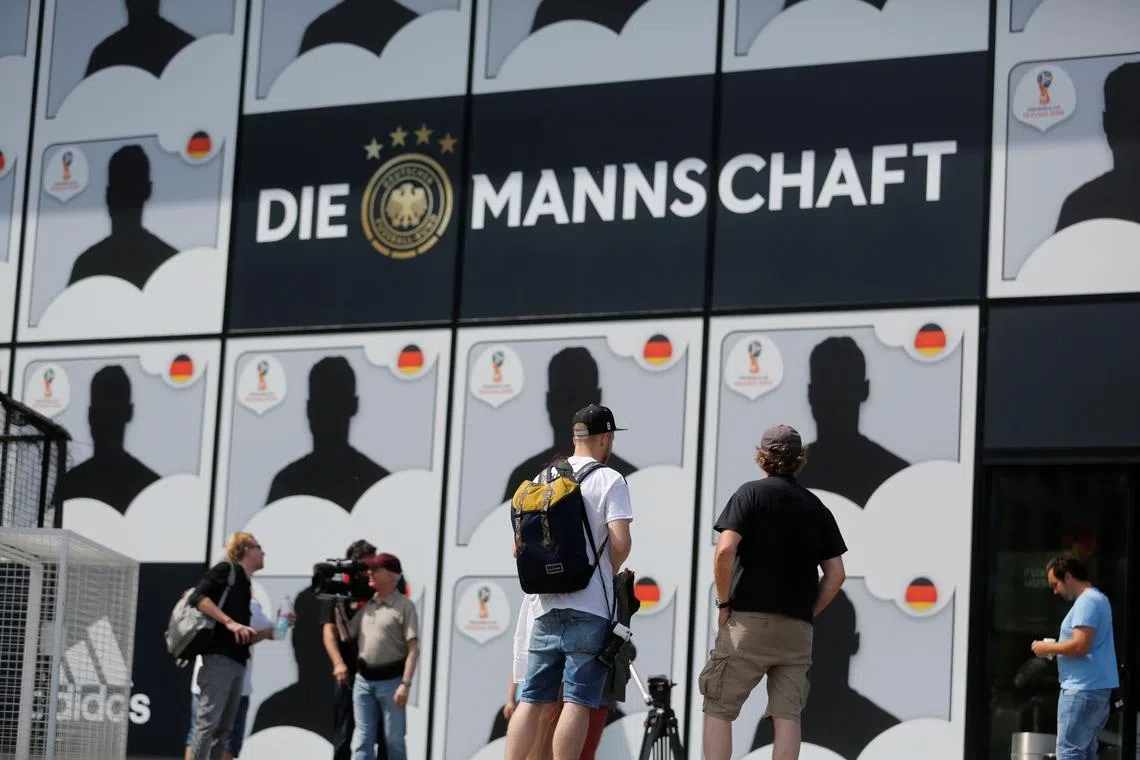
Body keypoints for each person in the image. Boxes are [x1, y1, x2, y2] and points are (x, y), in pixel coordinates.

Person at [699, 424, 847, 760]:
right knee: (787, 717)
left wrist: (724, 603)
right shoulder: (815, 506)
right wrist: (807, 612)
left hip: (748, 623)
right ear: (799, 460)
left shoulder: (749, 494)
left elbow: (725, 551)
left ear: (761, 457)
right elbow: (836, 574)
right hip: (796, 631)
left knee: (719, 707)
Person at [504, 404, 634, 760]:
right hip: (589, 607)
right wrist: (605, 568)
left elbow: (521, 546)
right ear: (605, 437)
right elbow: (620, 544)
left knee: (531, 699)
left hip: (545, 606)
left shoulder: (543, 477)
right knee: (577, 701)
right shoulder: (611, 479)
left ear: (575, 437)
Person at [1031, 555, 1120, 760]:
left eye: (1056, 584)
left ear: (1068, 577)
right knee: (1085, 751)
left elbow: (1081, 645)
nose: (1055, 591)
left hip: (1081, 690)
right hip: (1095, 689)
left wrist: (1047, 648)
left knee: (1068, 751)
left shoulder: (1086, 602)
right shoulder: (1099, 599)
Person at [187, 532, 264, 760]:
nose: (264, 553)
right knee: (207, 724)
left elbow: (242, 632)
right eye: (259, 547)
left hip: (238, 662)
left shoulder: (245, 582)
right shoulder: (226, 570)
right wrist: (229, 622)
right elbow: (197, 596)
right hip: (218, 660)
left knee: (223, 731)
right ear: (248, 549)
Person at [185, 598, 280, 760]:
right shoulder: (247, 603)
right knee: (222, 738)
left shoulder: (210, 598)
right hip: (229, 683)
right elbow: (272, 632)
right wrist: (280, 624)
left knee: (200, 734)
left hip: (206, 682)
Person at [322, 539, 390, 760]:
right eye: (368, 564)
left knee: (385, 735)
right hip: (350, 673)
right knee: (344, 732)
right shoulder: (337, 589)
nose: (372, 569)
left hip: (381, 673)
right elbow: (329, 631)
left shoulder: (381, 589)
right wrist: (338, 663)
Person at [349, 553, 419, 760]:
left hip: (392, 683)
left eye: (375, 570)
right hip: (363, 681)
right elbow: (348, 634)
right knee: (363, 740)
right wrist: (336, 608)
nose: (369, 573)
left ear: (391, 575)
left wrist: (405, 684)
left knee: (394, 739)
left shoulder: (405, 606)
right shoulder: (368, 605)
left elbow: (413, 648)